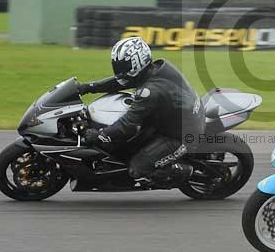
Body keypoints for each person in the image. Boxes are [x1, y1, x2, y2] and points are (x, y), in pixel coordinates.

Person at [79, 36, 203, 185]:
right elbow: (122, 81)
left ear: (137, 63)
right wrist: (89, 87)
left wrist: (101, 135)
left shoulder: (150, 91)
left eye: (123, 66)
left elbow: (128, 124)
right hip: (175, 118)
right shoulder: (157, 68)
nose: (119, 70)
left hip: (181, 135)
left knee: (137, 169)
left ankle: (184, 172)